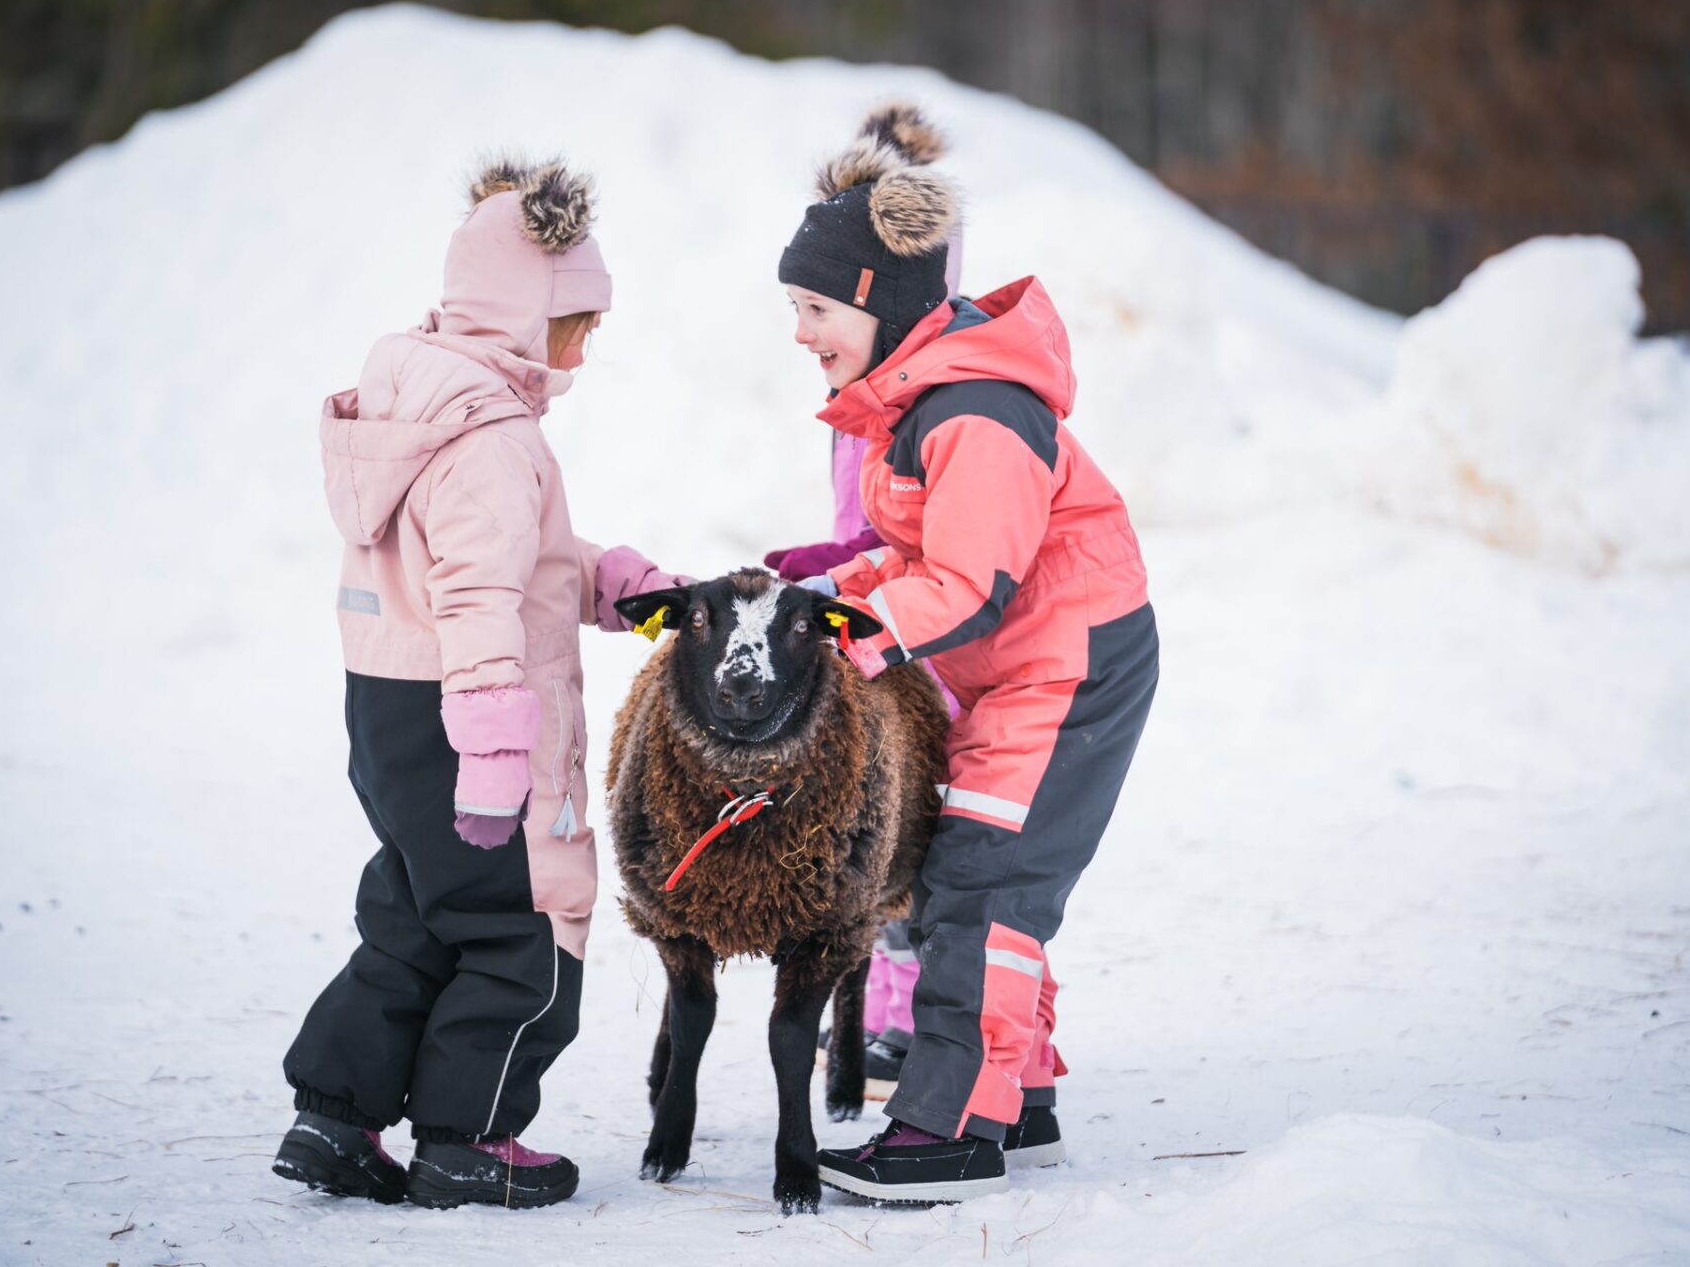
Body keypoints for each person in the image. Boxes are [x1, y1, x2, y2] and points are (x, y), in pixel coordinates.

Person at [272, 156, 685, 1210]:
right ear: (526, 313)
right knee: (523, 927)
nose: (586, 346)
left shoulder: (421, 409)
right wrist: (498, 762)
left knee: (417, 912)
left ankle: (335, 1115)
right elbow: (480, 597)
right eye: (579, 321)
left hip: (393, 710)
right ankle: (469, 1139)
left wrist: (613, 582)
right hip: (476, 721)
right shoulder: (493, 438)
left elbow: (494, 560)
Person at [778, 132, 1160, 1203]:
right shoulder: (921, 405)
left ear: (881, 305)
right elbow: (922, 555)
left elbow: (968, 582)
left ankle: (947, 1127)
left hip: (1069, 670)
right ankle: (1017, 1104)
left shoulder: (977, 413)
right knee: (984, 881)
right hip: (1028, 666)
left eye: (816, 308)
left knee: (983, 885)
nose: (800, 332)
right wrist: (833, 590)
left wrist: (853, 632)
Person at [767, 102, 964, 1100]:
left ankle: (924, 1024)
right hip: (877, 609)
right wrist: (831, 561)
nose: (803, 331)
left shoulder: (924, 393)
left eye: (818, 307)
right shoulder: (864, 379)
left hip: (927, 633)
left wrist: (851, 566)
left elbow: (931, 537)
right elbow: (871, 515)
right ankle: (887, 1014)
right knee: (881, 829)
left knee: (927, 838)